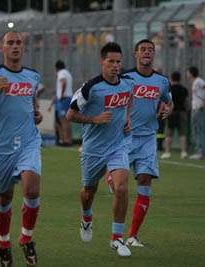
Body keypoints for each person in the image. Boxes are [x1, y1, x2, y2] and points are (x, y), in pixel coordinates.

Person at [0, 31, 43, 267]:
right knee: (4, 196)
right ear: (1, 48)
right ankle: (4, 243)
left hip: (28, 142)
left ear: (24, 49)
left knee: (32, 189)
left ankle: (26, 238)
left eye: (18, 43)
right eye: (10, 43)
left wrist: (36, 113)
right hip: (0, 147)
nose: (14, 47)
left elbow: (32, 102)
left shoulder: (33, 76)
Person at [66, 42, 133, 257]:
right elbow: (70, 115)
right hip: (93, 149)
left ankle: (117, 238)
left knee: (122, 187)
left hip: (118, 145)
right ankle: (86, 217)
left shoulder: (127, 84)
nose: (115, 66)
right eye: (111, 62)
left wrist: (127, 117)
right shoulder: (90, 87)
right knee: (88, 193)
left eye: (118, 62)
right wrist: (94, 119)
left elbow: (129, 99)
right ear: (102, 62)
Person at [123, 39, 173, 247]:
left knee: (144, 180)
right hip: (124, 137)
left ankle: (133, 236)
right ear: (136, 54)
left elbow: (168, 100)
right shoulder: (126, 78)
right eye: (143, 49)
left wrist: (168, 108)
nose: (147, 52)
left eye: (150, 50)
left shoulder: (161, 81)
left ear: (153, 55)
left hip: (148, 138)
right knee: (120, 185)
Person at [161, 71, 189, 159]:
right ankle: (183, 152)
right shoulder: (184, 89)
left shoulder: (170, 89)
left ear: (171, 78)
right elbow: (186, 102)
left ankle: (167, 152)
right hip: (182, 112)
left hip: (171, 112)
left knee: (169, 132)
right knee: (182, 133)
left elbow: (165, 101)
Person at [186, 66, 205, 160]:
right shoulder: (195, 82)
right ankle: (200, 151)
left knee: (198, 130)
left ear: (191, 73)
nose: (187, 74)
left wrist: (204, 102)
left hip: (198, 108)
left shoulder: (198, 80)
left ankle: (201, 152)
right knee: (196, 129)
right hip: (195, 108)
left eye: (188, 72)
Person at [48, 60, 73, 146]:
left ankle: (66, 141)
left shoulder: (61, 73)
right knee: (67, 120)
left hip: (64, 98)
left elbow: (63, 82)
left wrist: (61, 94)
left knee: (63, 120)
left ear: (56, 68)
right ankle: (68, 140)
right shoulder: (68, 73)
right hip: (69, 98)